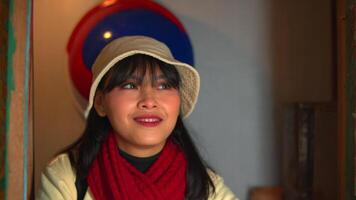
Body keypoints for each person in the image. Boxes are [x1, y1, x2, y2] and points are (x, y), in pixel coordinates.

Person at [37, 36, 238, 200]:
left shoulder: (204, 185)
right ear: (100, 103)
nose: (149, 101)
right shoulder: (67, 176)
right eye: (130, 85)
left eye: (163, 86)